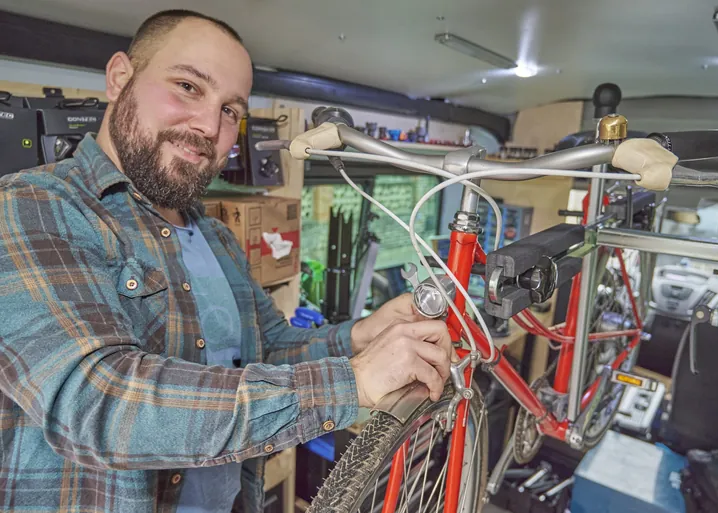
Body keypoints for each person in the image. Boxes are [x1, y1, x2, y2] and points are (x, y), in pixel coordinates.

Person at [0, 9, 453, 513]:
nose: (208, 127)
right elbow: (97, 402)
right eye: (188, 87)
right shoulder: (33, 206)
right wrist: (352, 382)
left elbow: (270, 350)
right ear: (119, 78)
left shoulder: (215, 235)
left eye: (231, 110)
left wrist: (357, 337)